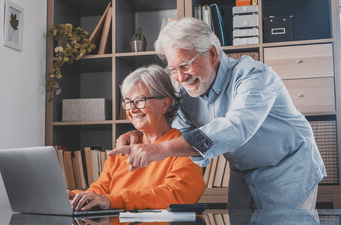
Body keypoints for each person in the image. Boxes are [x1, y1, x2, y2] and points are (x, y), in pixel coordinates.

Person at [109, 17, 326, 209]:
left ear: (212, 53)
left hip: (288, 168)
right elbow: (179, 138)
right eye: (173, 70)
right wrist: (140, 136)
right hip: (243, 173)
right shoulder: (186, 98)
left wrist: (159, 148)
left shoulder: (253, 75)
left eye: (184, 66)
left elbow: (237, 127)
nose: (180, 78)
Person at [68, 64, 206, 211]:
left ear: (164, 104)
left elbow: (176, 195)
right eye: (127, 102)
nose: (132, 109)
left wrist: (115, 200)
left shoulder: (183, 148)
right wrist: (75, 197)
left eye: (140, 100)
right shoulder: (125, 146)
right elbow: (101, 190)